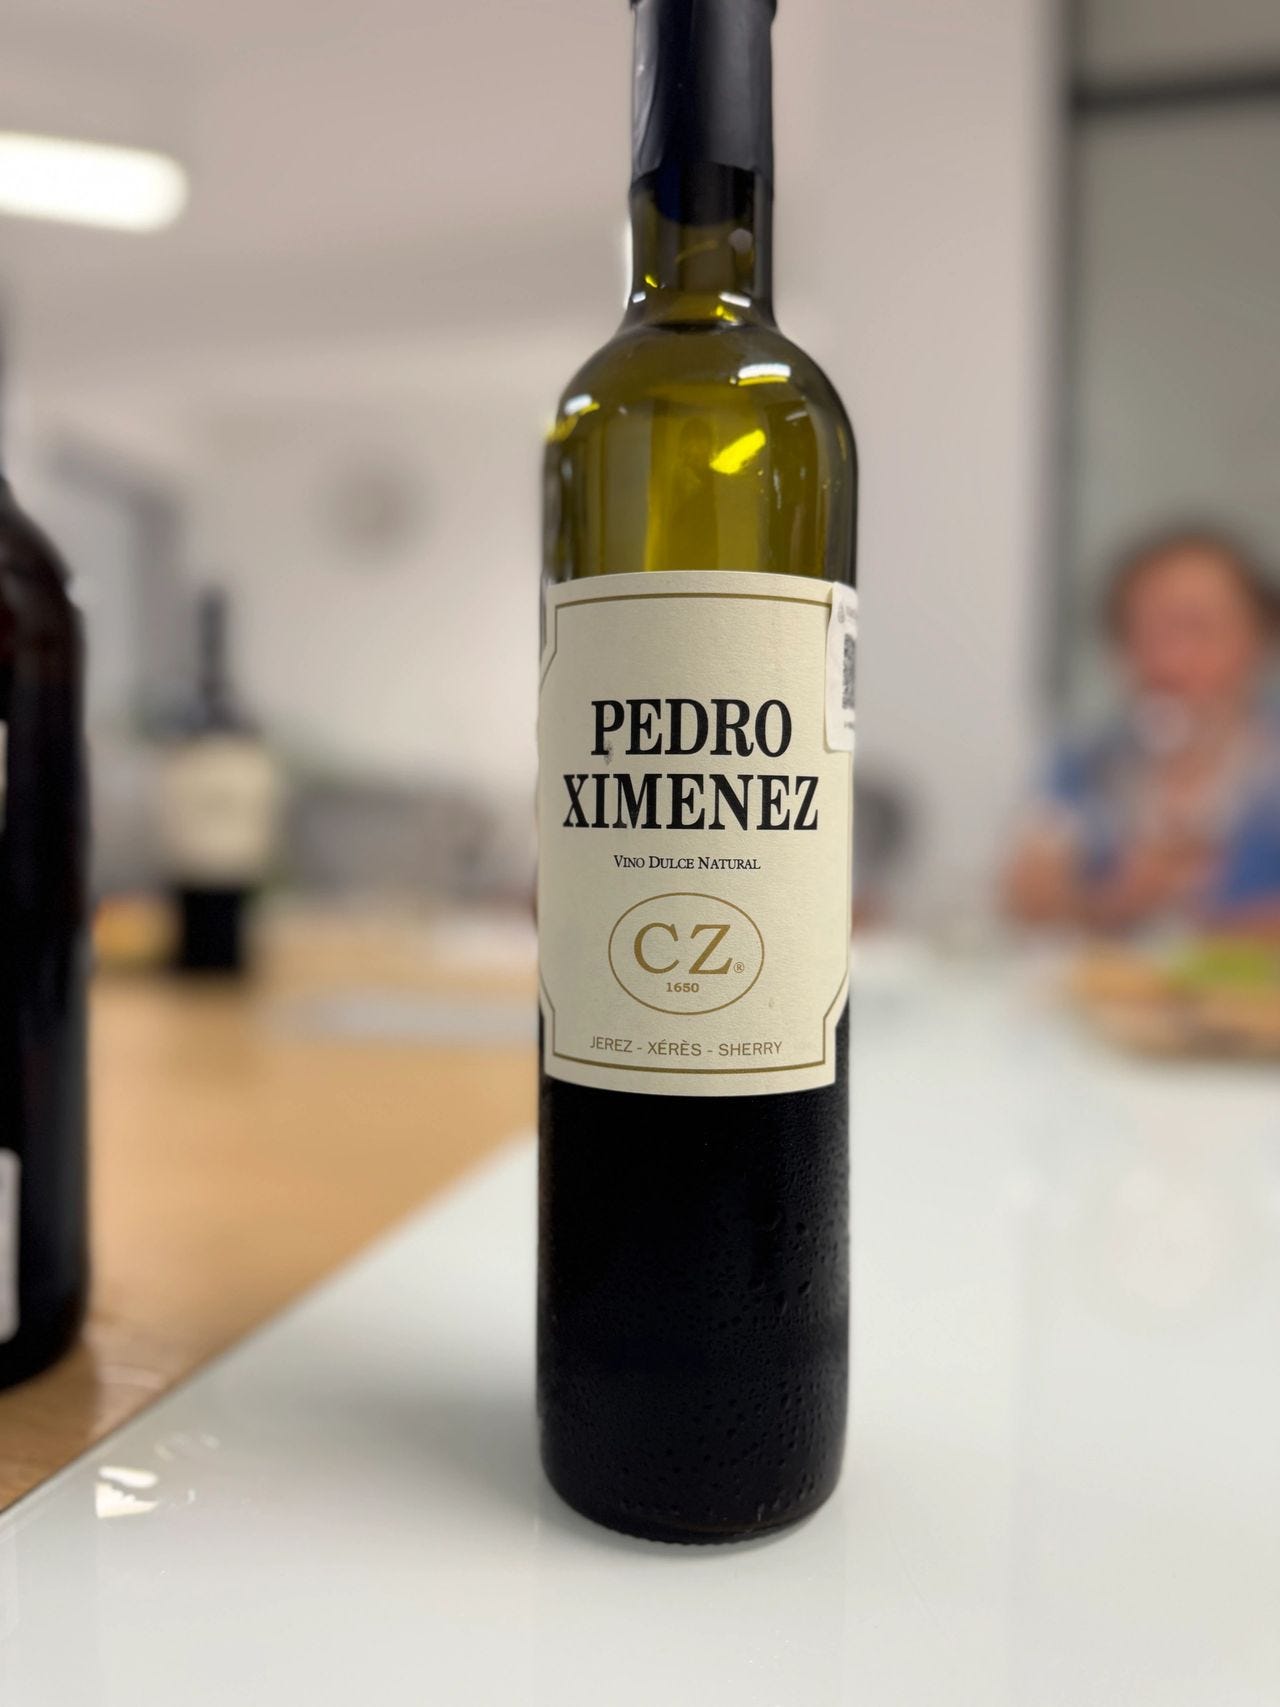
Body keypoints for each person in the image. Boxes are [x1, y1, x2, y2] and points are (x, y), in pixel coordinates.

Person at [1005, 527, 1280, 936]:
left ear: (1260, 637)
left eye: (1196, 629)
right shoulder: (1089, 761)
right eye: (1143, 633)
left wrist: (1215, 928)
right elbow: (1026, 895)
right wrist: (1116, 900)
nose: (1168, 659)